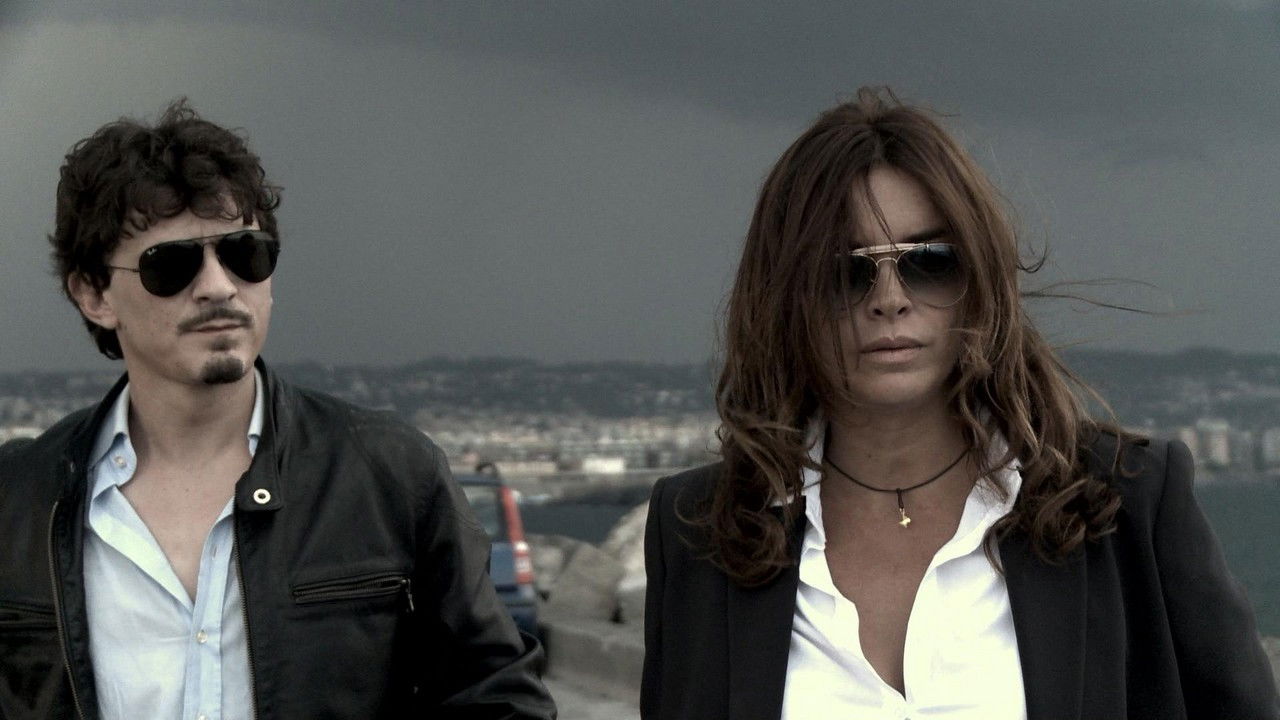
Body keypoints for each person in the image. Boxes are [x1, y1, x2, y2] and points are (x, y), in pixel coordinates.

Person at [641, 87, 1278, 719]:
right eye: (842, 272)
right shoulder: (696, 528)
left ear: (980, 278)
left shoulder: (1127, 501)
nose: (889, 299)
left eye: (930, 262)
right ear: (783, 297)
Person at [0, 101, 556, 720]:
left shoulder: (389, 476)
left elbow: (498, 695)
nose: (218, 286)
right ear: (94, 294)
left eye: (245, 254)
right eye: (172, 265)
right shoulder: (18, 502)